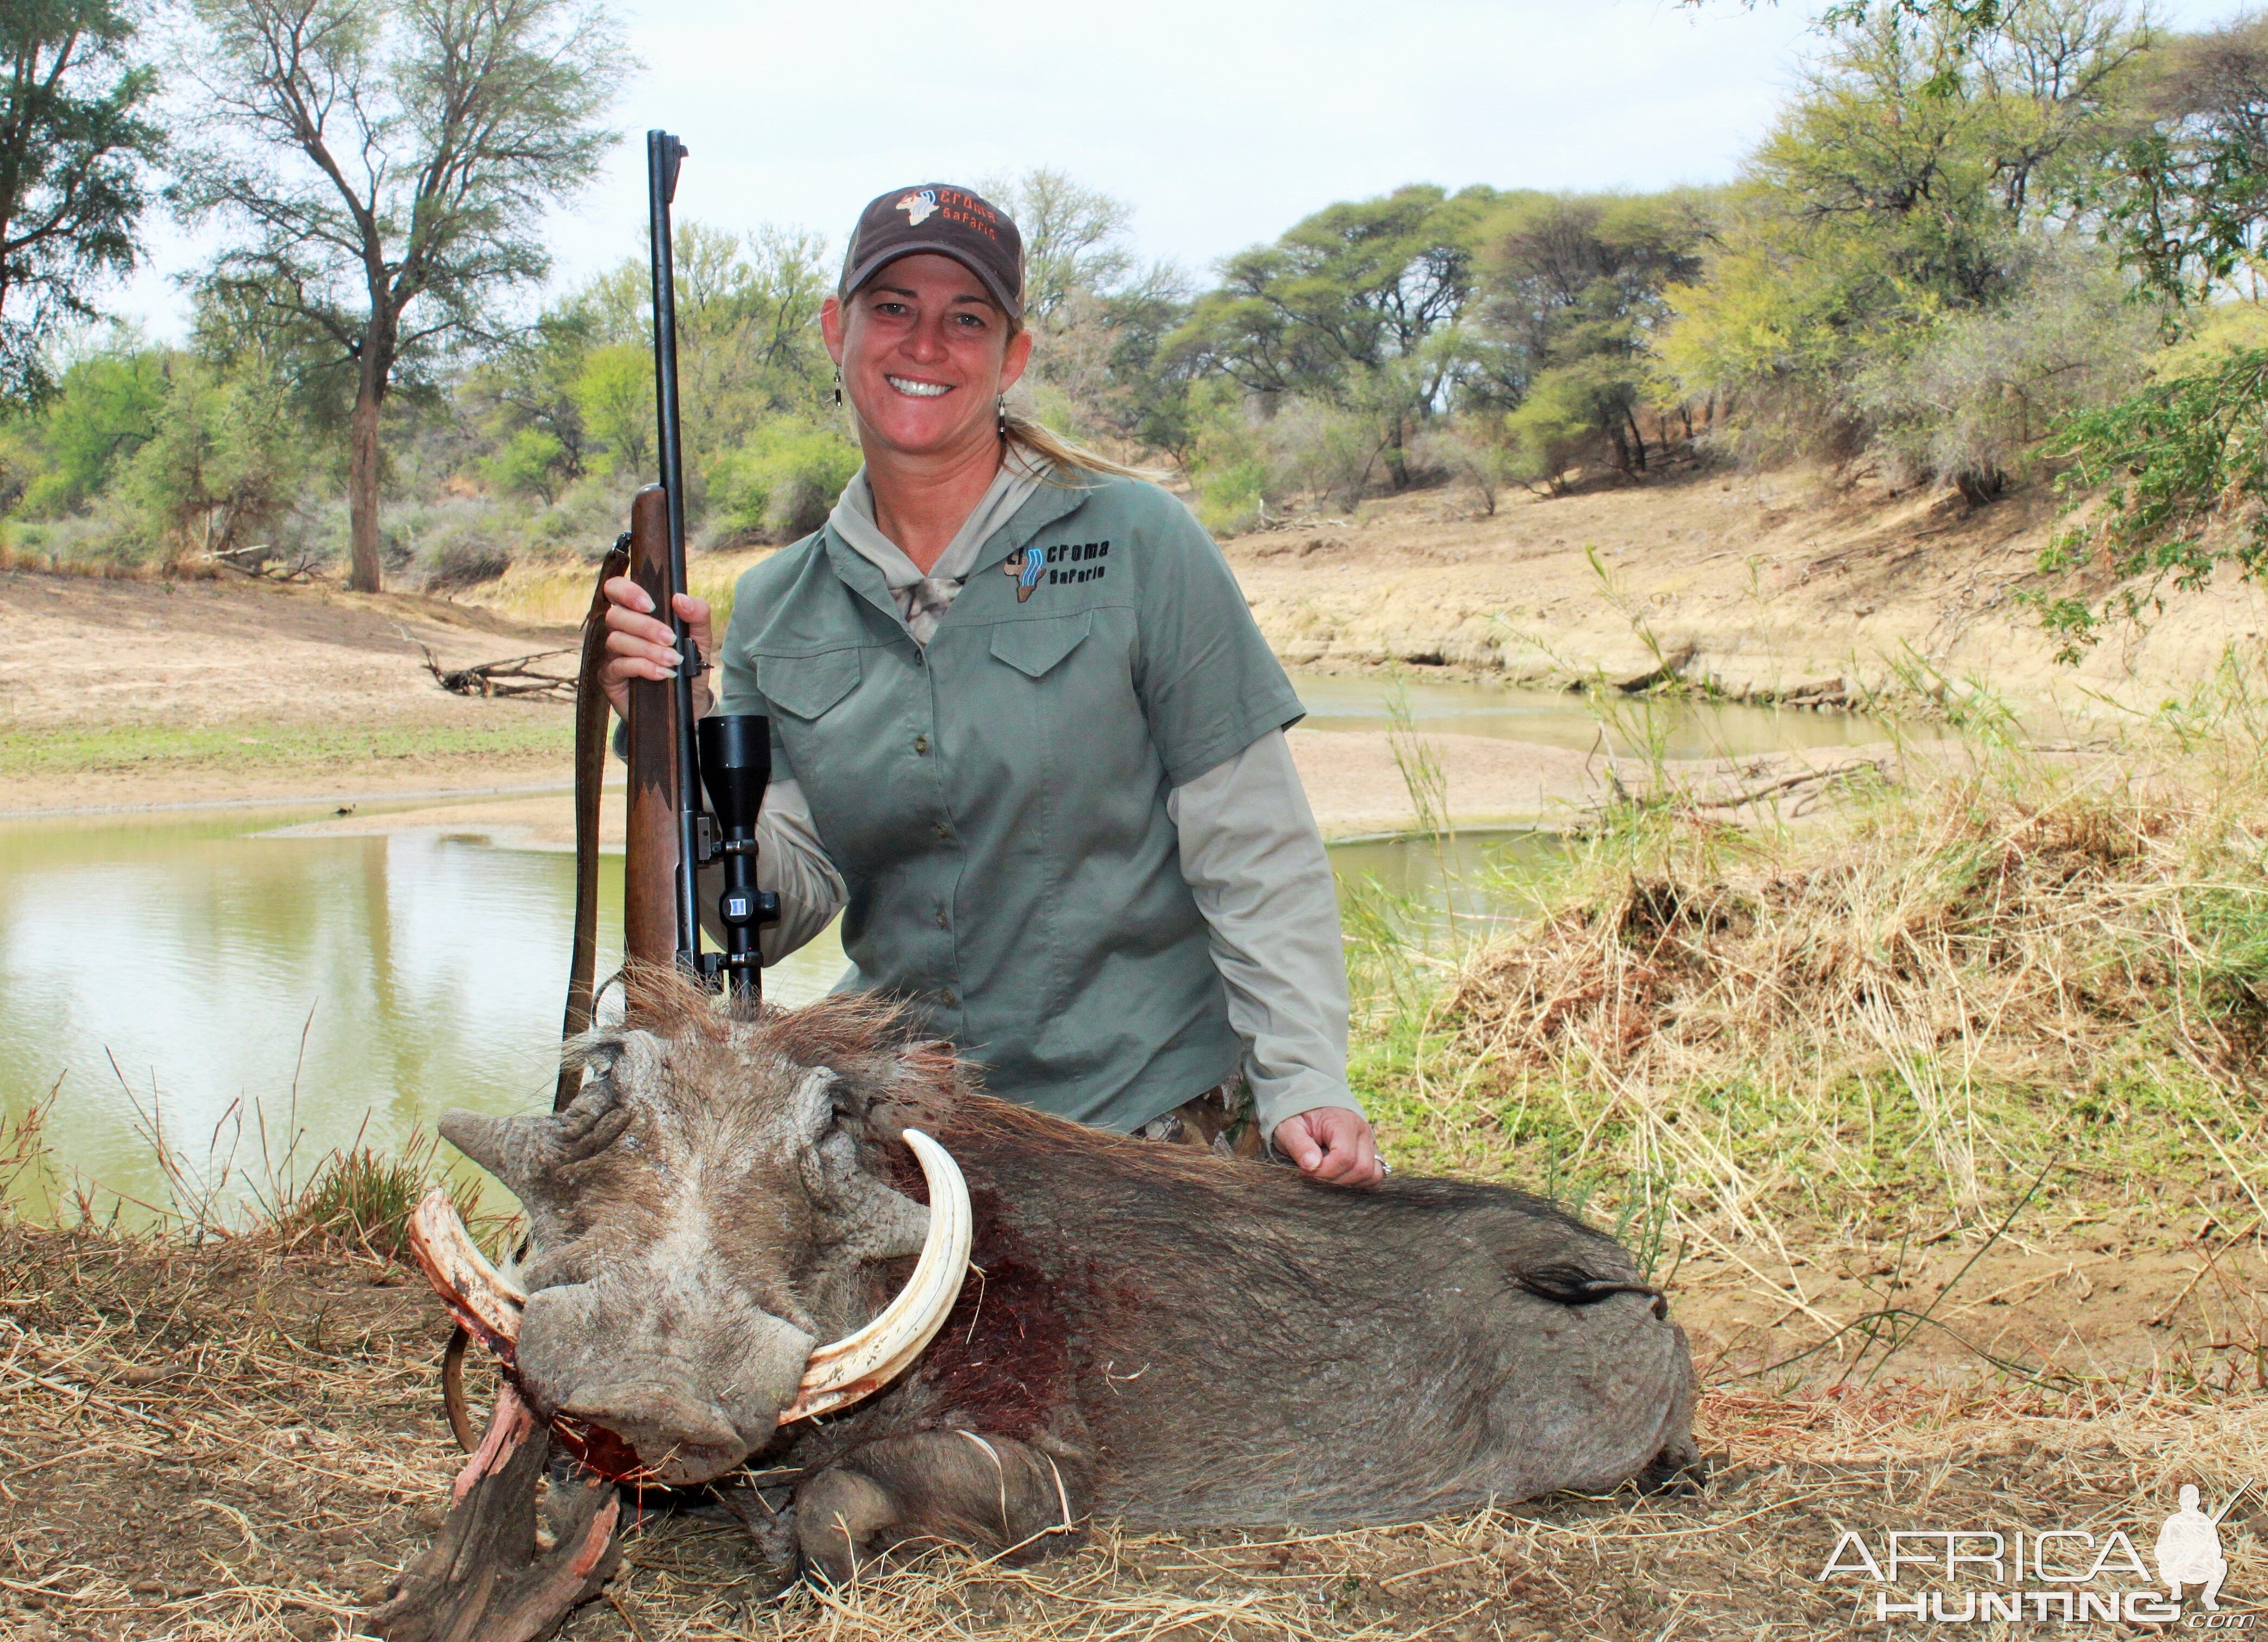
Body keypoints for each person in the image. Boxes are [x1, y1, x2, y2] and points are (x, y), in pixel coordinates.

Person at [599, 183, 1381, 1187]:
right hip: (910, 1132)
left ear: (1010, 356)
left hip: (1145, 1118)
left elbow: (1253, 844)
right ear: (838, 331)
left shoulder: (1141, 540)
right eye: (893, 309)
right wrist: (678, 726)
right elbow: (773, 908)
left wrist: (1306, 1075)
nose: (925, 345)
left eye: (965, 319)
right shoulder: (778, 604)